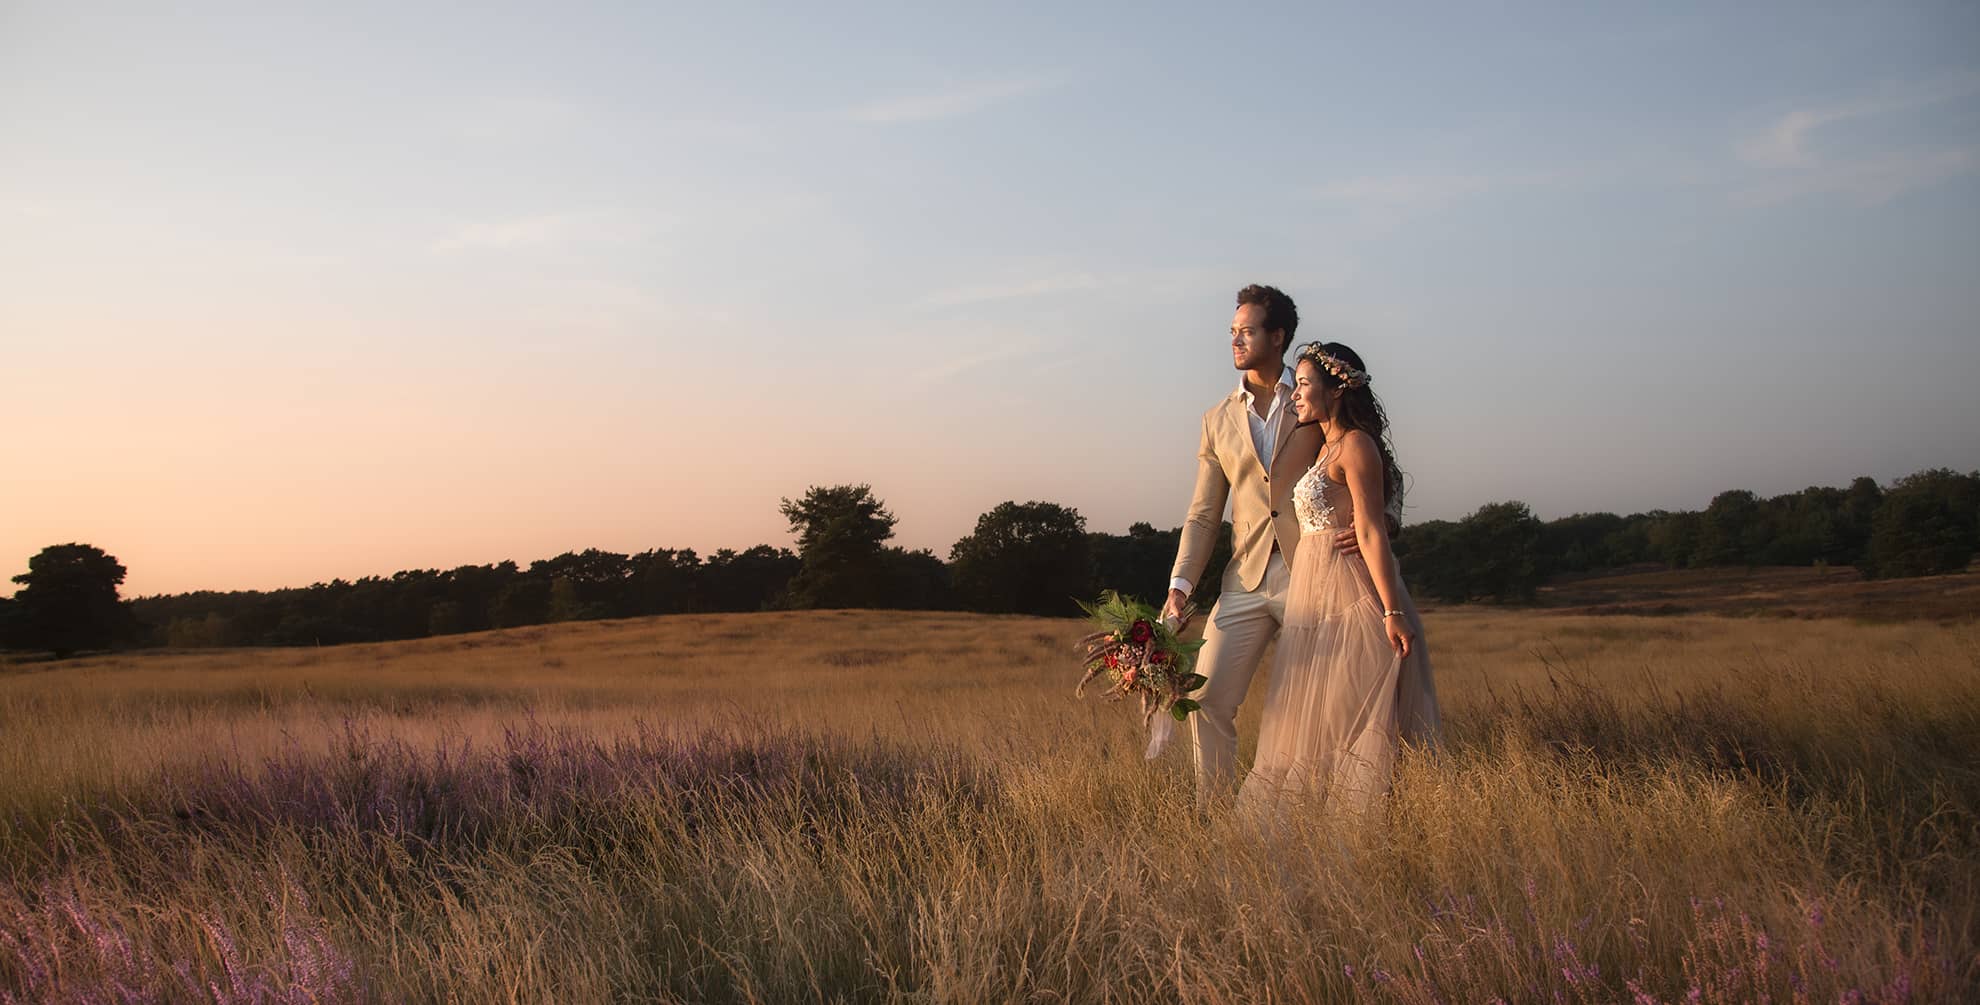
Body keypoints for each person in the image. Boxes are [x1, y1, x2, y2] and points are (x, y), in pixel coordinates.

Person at [1163, 285, 1355, 802]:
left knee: (1328, 701)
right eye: (1232, 331)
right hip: (1244, 579)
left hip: (1312, 571)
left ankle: (1325, 809)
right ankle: (1214, 816)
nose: (1235, 340)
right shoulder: (1216, 419)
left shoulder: (1313, 392)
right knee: (1205, 699)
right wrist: (1180, 586)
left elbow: (1365, 451)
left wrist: (1380, 518)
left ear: (1278, 336)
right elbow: (1204, 514)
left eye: (1246, 331)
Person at [1236, 341, 1441, 821]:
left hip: (1351, 588)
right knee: (1315, 714)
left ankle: (1364, 823)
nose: (1294, 394)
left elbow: (1369, 530)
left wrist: (1391, 611)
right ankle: (1313, 821)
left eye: (1304, 384)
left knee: (1353, 711)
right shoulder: (1321, 444)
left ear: (1336, 390)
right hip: (1315, 593)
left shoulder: (1355, 444)